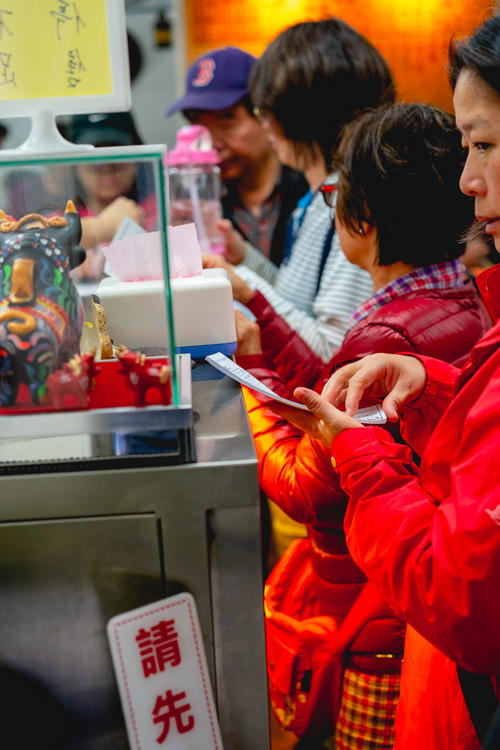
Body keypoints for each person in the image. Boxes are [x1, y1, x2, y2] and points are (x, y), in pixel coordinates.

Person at [267, 17, 500, 749]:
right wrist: (434, 381)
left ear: (360, 216)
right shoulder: (467, 298)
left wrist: (257, 401)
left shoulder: (380, 328)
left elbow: (456, 590)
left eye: (487, 145)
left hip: (378, 620)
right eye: (467, 151)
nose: (472, 181)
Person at [204, 18, 394, 363]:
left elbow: (331, 351)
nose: (265, 124)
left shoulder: (352, 205)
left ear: (302, 114)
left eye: (266, 110)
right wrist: (244, 258)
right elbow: (295, 303)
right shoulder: (318, 198)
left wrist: (243, 284)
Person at [166, 46, 308, 266]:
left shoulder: (310, 189)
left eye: (226, 121)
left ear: (265, 117)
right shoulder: (198, 202)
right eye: (197, 124)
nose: (211, 143)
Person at [63, 112, 156, 281]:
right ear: (74, 165)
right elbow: (21, 242)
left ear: (136, 158)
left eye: (116, 155)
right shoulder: (59, 218)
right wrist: (100, 228)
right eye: (93, 158)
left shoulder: (160, 213)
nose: (106, 167)